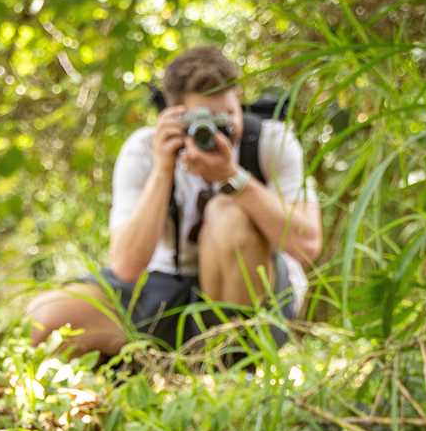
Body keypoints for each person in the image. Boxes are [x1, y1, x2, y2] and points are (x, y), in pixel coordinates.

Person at [26, 46, 322, 356]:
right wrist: (163, 169)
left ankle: (232, 368)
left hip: (257, 298)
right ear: (173, 114)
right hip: (164, 290)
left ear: (239, 98)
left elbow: (307, 247)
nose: (221, 133)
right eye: (205, 120)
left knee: (226, 214)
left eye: (230, 116)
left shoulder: (271, 141)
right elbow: (126, 266)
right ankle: (157, 364)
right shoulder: (144, 150)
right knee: (46, 320)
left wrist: (233, 177)